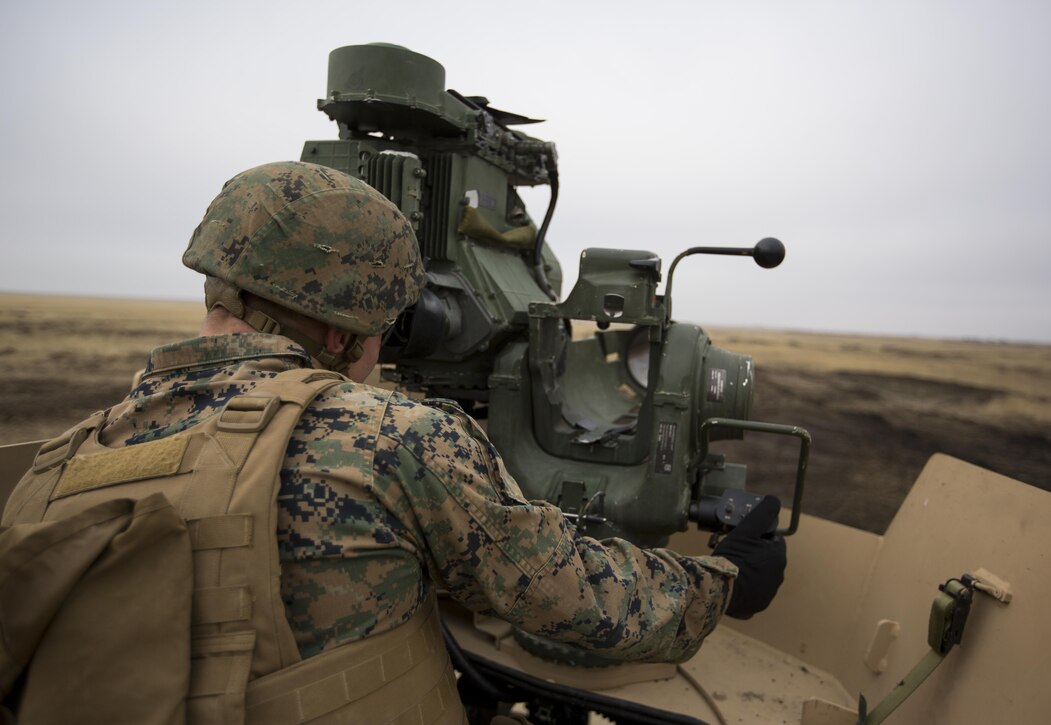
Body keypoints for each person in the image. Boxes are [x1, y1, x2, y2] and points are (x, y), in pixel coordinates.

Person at [1, 161, 785, 723]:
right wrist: (724, 581)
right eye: (383, 324)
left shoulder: (56, 466)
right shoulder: (393, 441)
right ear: (342, 328)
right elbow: (569, 596)